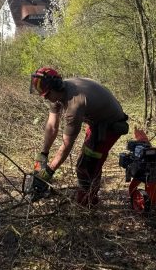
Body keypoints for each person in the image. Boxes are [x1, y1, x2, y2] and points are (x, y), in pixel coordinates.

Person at [30, 67, 129, 205]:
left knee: (87, 166)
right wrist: (43, 155)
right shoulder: (58, 93)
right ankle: (87, 197)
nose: (45, 98)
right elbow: (52, 126)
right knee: (87, 162)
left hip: (110, 125)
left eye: (47, 94)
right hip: (95, 122)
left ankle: (87, 204)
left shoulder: (74, 105)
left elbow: (66, 145)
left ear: (56, 86)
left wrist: (48, 172)